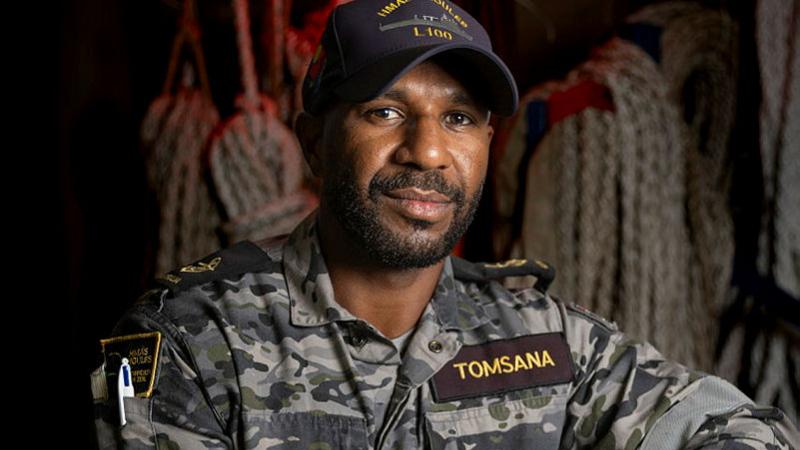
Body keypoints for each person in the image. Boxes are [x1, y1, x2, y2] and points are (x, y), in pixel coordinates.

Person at [91, 0, 799, 448]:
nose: (428, 151)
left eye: (458, 117)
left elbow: (746, 433)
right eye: (385, 111)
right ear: (313, 141)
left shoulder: (542, 339)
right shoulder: (181, 340)